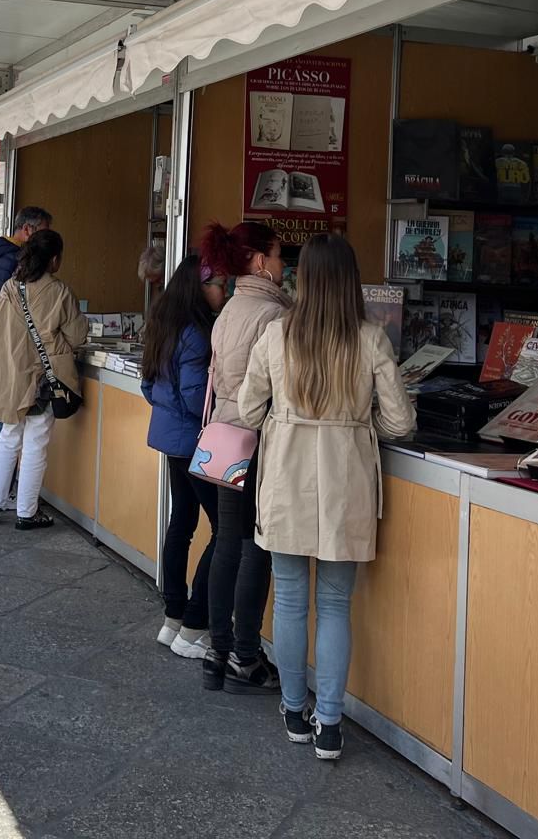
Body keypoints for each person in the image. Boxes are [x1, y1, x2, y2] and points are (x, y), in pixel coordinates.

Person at [238, 232, 416, 760]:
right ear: (350, 281)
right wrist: (359, 424)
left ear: (305, 280)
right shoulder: (371, 339)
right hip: (348, 483)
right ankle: (330, 724)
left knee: (291, 600)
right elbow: (400, 422)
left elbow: (248, 410)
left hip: (285, 480)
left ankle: (294, 710)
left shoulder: (276, 335)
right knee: (337, 604)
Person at [198, 219, 289, 695]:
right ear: (259, 260)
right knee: (257, 545)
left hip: (224, 437)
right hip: (258, 437)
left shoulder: (231, 306)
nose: (283, 263)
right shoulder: (274, 314)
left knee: (227, 541)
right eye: (278, 254)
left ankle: (217, 651)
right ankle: (246, 655)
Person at [140, 254, 227, 660]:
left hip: (172, 437)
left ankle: (173, 617)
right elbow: (195, 395)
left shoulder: (164, 321)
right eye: (219, 285)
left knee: (182, 522)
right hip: (195, 440)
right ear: (199, 287)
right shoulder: (196, 332)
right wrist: (218, 414)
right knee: (224, 529)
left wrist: (169, 411)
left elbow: (149, 384)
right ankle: (193, 625)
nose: (224, 292)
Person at [0, 228, 88, 530]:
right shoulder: (59, 292)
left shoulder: (10, 287)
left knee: (8, 439)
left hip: (11, 376)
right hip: (43, 381)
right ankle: (26, 511)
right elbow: (78, 336)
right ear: (54, 259)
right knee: (36, 442)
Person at [0, 206, 52, 506]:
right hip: (5, 344)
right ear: (28, 230)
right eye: (43, 231)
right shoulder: (16, 261)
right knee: (3, 419)